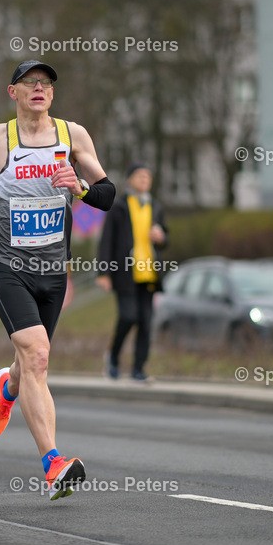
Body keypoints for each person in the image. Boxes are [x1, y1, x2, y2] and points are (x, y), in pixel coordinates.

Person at [0, 59, 115, 500]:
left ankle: (6, 390)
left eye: (46, 83)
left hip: (52, 270)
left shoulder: (72, 136)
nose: (40, 88)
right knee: (38, 355)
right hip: (7, 266)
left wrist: (80, 188)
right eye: (31, 83)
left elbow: (107, 194)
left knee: (29, 367)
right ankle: (53, 464)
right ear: (14, 93)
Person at [96, 163, 168, 383]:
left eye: (148, 176)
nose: (145, 180)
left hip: (149, 274)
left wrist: (161, 236)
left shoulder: (155, 206)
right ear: (130, 180)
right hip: (125, 273)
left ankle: (138, 369)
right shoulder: (119, 207)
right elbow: (106, 241)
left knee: (146, 322)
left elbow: (166, 239)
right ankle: (113, 358)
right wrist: (104, 273)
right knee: (128, 316)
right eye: (140, 176)